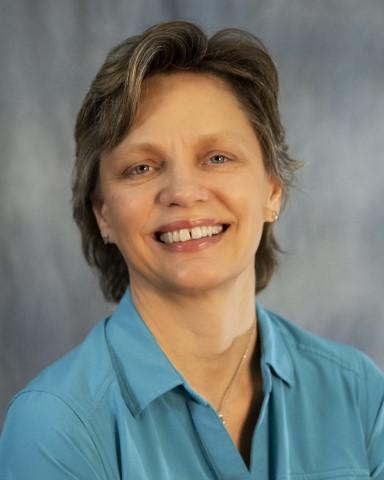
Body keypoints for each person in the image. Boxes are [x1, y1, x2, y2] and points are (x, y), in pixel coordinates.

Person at [0, 20, 383, 479]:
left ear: (272, 190)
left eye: (217, 158)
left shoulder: (358, 391)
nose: (182, 191)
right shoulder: (56, 426)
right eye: (141, 167)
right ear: (103, 213)